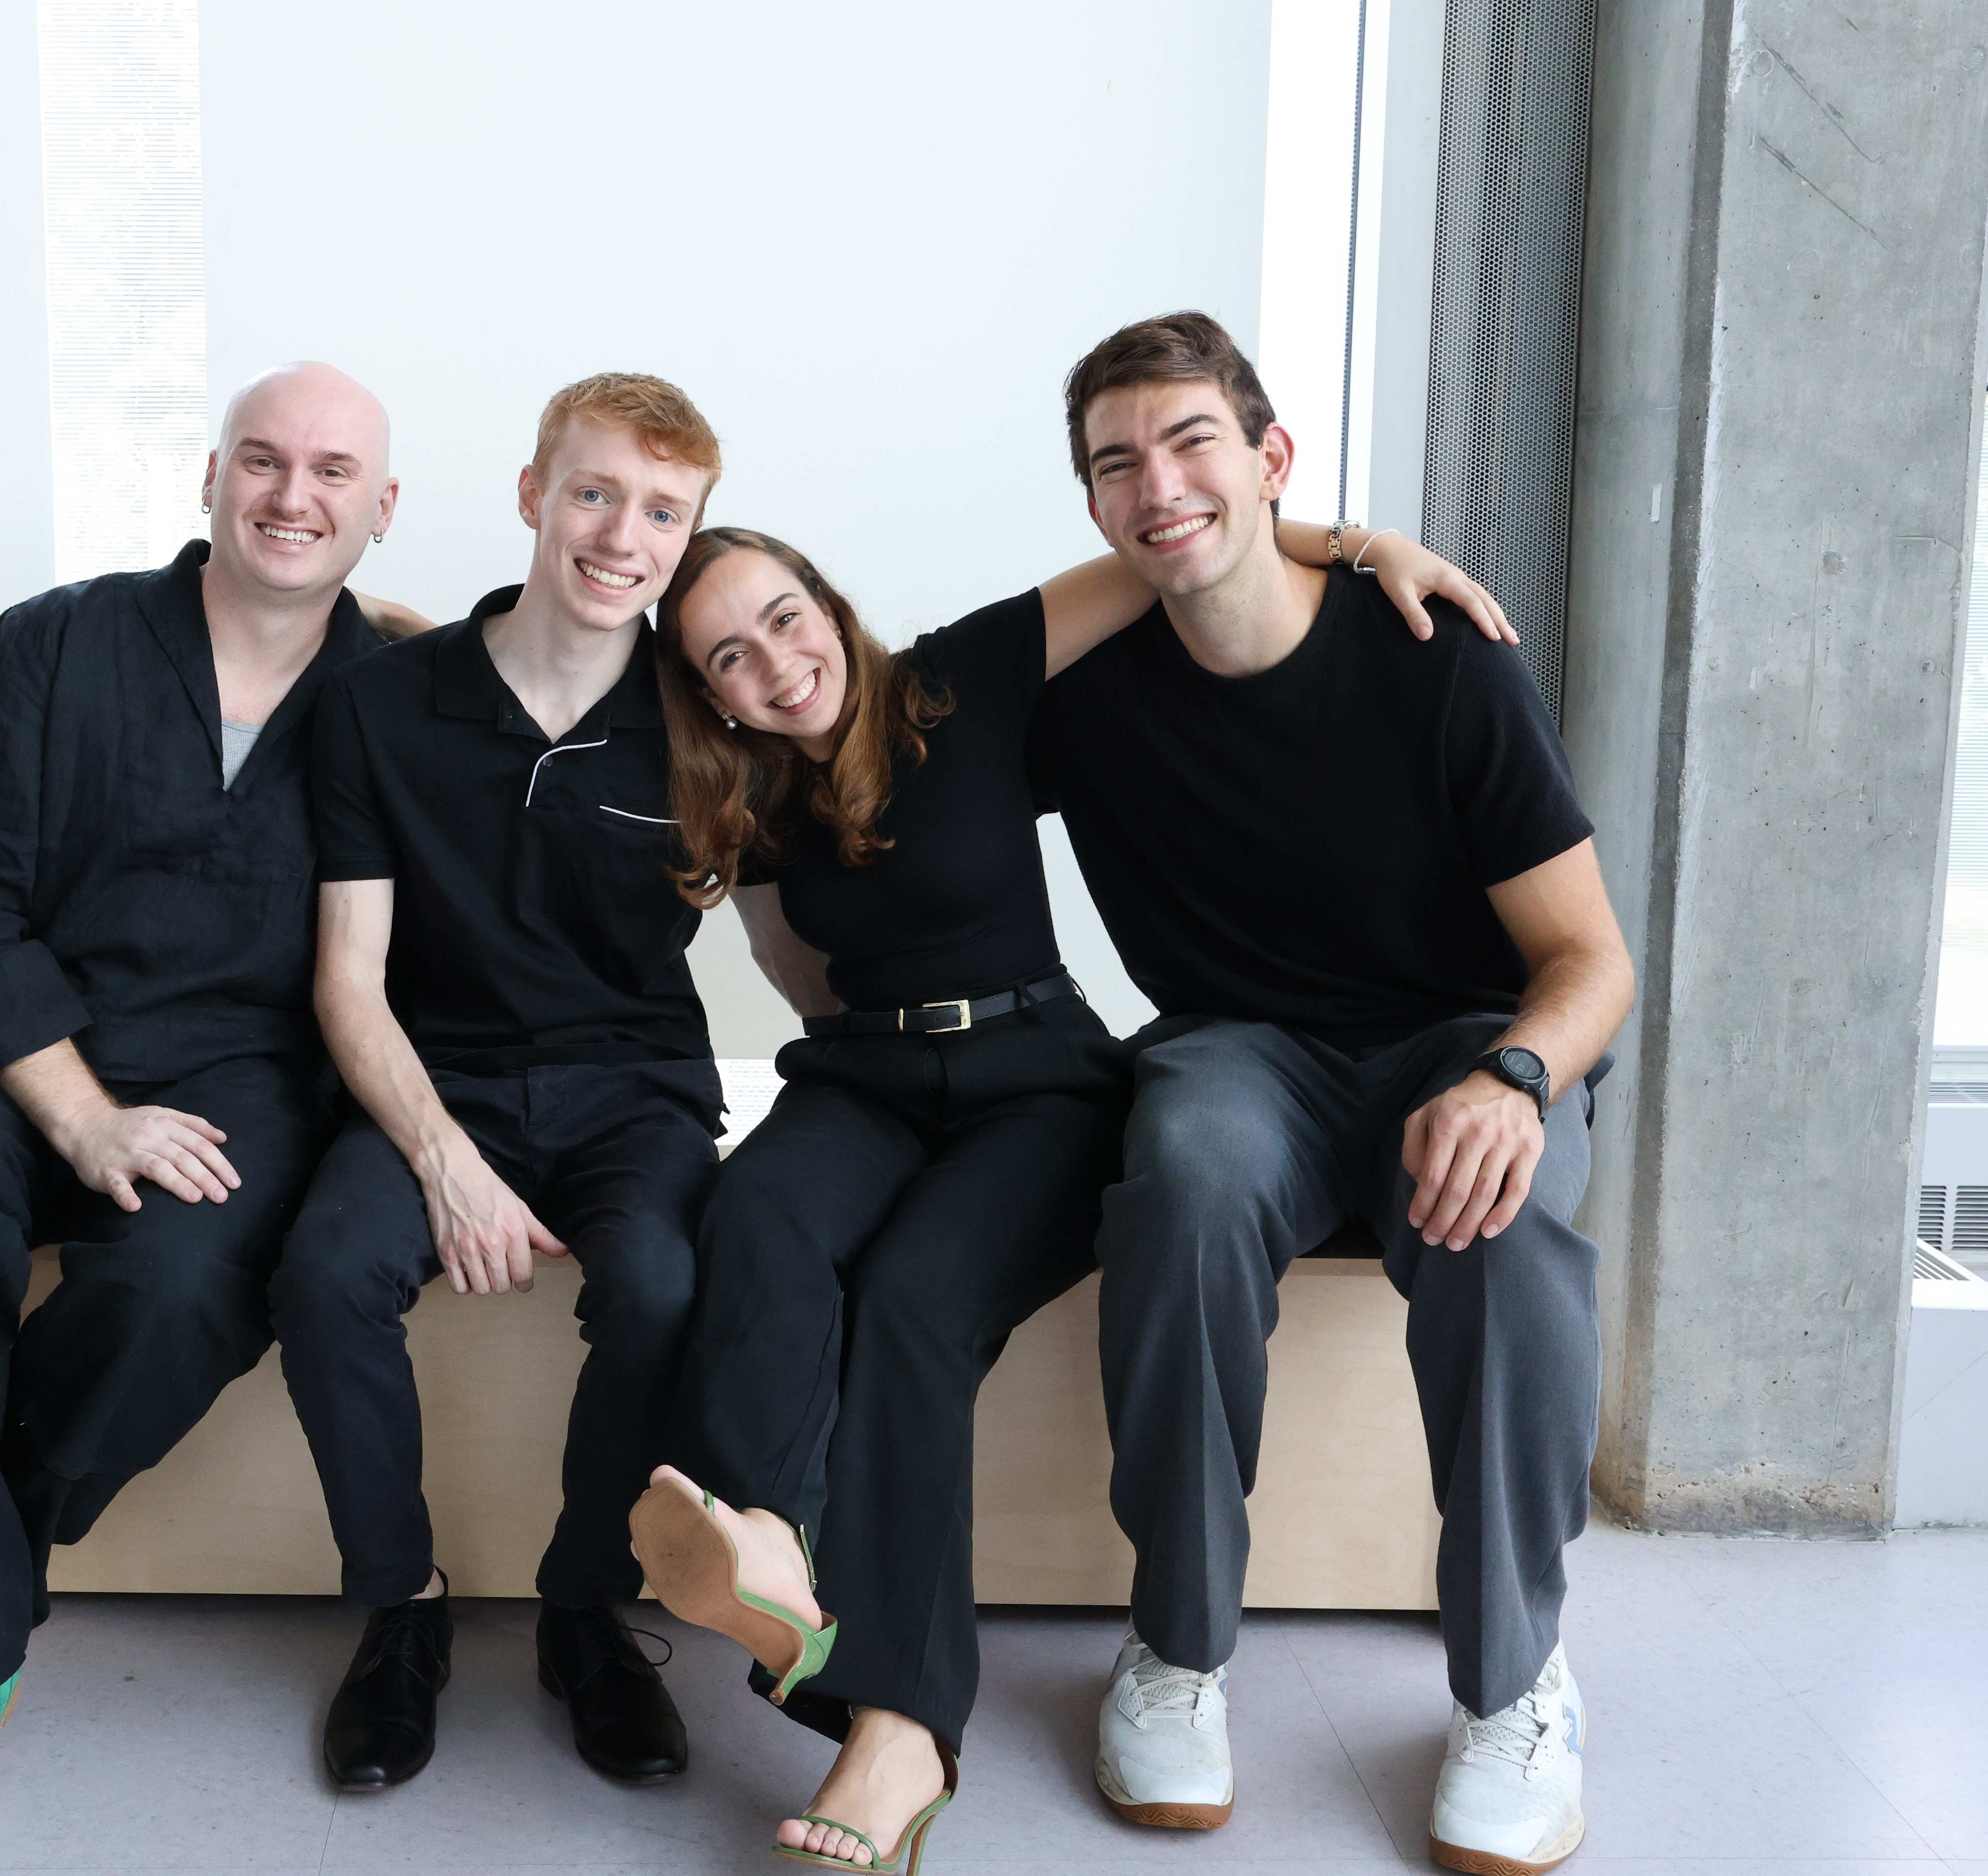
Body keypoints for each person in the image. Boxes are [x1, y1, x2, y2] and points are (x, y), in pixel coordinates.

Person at [628, 516, 1508, 1872]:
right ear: (709, 692)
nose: (775, 665)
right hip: (865, 1073)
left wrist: (1357, 541)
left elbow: (1173, 549)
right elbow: (803, 978)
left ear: (829, 600)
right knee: (755, 1215)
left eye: (785, 619)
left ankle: (900, 1727)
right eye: (729, 659)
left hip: (1034, 1072)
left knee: (916, 1297)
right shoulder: (747, 799)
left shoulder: (959, 677)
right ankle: (761, 1537)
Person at [0, 364, 415, 1856]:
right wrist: (83, 1114)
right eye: (260, 460)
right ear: (208, 477)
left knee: (183, 1283)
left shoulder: (393, 707)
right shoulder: (50, 645)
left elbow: (557, 668)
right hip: (4, 1049)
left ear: (383, 508)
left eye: (328, 472)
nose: (289, 496)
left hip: (244, 1079)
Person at [1037, 311, 1635, 1876]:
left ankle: (1514, 1686)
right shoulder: (1086, 693)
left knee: (1498, 1235)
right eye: (1118, 463)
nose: (1157, 484)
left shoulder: (1440, 660)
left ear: (1270, 456)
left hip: (1463, 1036)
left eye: (1192, 445)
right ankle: (1173, 1648)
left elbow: (1586, 958)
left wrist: (1513, 1076)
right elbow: (860, 704)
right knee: (1181, 1175)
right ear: (1094, 507)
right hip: (1243, 1046)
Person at [268, 372, 726, 1793]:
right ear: (533, 496)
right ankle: (400, 1608)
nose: (619, 535)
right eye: (593, 493)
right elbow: (348, 977)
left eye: (662, 512)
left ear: (689, 535)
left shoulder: (706, 713)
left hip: (633, 1085)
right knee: (324, 1273)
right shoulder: (383, 707)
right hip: (433, 1073)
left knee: (660, 1285)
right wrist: (446, 1158)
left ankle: (585, 1608)